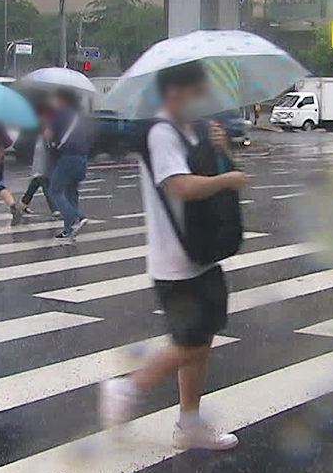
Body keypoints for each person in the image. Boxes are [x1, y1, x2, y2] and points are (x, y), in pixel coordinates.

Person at [99, 60, 247, 451]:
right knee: (192, 344)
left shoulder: (190, 129)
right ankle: (130, 388)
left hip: (201, 253)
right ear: (174, 91)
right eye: (196, 90)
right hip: (175, 261)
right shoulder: (162, 132)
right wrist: (226, 180)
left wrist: (221, 150)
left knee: (204, 339)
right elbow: (179, 187)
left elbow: (206, 173)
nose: (201, 99)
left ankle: (189, 424)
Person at [47, 88, 89, 238]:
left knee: (55, 191)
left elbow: (49, 134)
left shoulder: (61, 113)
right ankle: (69, 230)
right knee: (71, 192)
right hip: (82, 158)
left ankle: (76, 217)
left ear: (62, 99)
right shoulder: (79, 115)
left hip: (68, 157)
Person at [17, 106, 58, 218]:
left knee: (36, 181)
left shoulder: (44, 120)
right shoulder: (37, 122)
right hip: (40, 152)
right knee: (43, 179)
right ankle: (54, 208)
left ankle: (23, 204)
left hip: (43, 151)